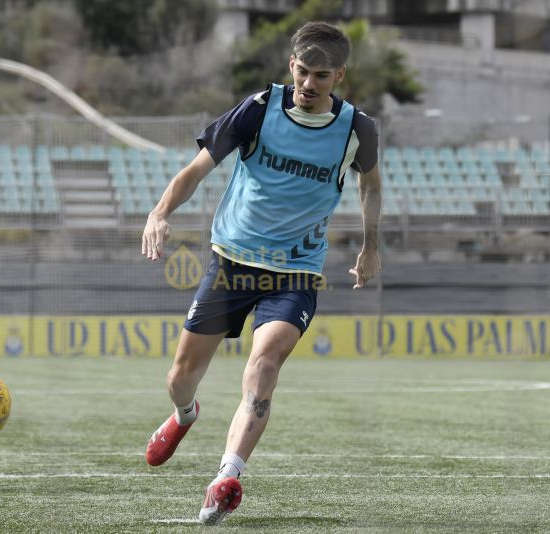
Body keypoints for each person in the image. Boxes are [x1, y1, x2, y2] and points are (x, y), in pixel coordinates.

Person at [141, 21, 381, 525]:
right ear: (290, 66)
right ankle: (186, 414)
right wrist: (160, 212)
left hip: (295, 272)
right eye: (302, 71)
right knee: (181, 377)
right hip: (232, 262)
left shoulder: (357, 129)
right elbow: (196, 169)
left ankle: (226, 477)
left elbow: (370, 186)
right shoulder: (257, 110)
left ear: (339, 75)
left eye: (321, 75)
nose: (309, 84)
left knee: (266, 363)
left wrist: (370, 246)